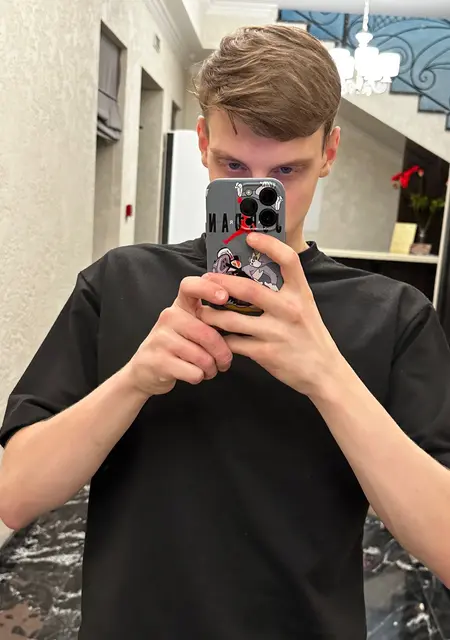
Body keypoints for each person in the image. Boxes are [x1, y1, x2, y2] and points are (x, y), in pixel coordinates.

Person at [1, 24, 450, 640]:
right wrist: (133, 380)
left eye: (287, 170)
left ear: (330, 152)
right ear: (203, 142)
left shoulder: (394, 315)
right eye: (233, 166)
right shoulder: (120, 281)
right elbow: (15, 494)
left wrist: (328, 376)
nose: (258, 194)